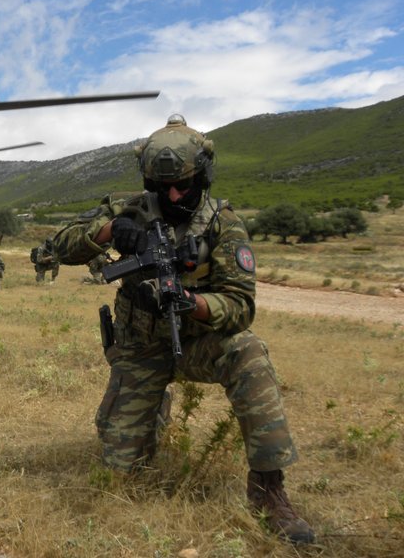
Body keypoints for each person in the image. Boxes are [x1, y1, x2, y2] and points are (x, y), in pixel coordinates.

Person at [52, 114, 315, 545]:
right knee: (120, 472)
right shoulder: (129, 207)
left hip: (197, 343)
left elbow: (240, 305)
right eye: (161, 188)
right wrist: (112, 229)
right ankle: (153, 405)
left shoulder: (222, 223)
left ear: (203, 176)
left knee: (248, 351)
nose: (173, 195)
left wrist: (191, 304)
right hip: (139, 348)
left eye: (184, 186)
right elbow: (60, 246)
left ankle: (269, 490)